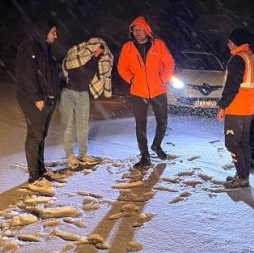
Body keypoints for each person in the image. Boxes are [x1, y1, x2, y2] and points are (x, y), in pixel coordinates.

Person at [117, 16, 175, 169]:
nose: (136, 33)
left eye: (139, 29)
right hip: (138, 91)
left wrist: (162, 79)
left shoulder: (159, 45)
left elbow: (169, 63)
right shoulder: (127, 47)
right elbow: (122, 67)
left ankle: (156, 145)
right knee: (140, 125)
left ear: (146, 30)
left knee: (162, 121)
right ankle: (145, 157)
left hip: (158, 90)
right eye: (134, 30)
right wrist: (131, 79)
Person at [15, 18, 63, 194]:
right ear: (44, 31)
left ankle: (40, 170)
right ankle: (33, 177)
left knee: (41, 134)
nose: (55, 36)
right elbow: (26, 74)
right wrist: (37, 97)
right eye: (53, 32)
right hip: (34, 100)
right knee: (35, 135)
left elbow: (47, 74)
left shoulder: (44, 49)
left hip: (47, 99)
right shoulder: (29, 47)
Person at [217, 28, 254, 189]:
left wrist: (222, 106)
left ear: (237, 41)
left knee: (232, 143)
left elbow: (232, 86)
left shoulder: (238, 59)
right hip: (249, 109)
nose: (228, 44)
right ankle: (243, 175)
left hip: (236, 109)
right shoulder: (253, 58)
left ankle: (242, 177)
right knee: (243, 143)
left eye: (230, 41)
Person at [60, 37, 114, 168]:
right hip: (68, 93)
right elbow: (67, 63)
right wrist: (88, 54)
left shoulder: (100, 62)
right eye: (96, 48)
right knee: (67, 125)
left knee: (83, 125)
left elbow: (106, 75)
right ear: (92, 45)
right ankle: (70, 156)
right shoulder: (78, 54)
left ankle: (83, 155)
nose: (97, 52)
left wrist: (107, 91)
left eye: (101, 51)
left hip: (83, 94)